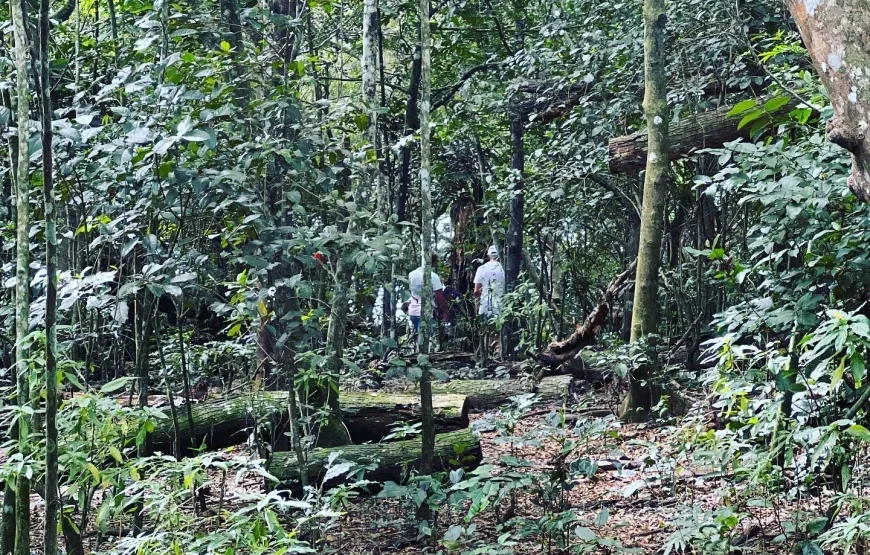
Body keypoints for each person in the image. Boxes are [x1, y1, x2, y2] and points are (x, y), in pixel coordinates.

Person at [407, 253, 449, 339]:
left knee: (418, 338)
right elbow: (440, 297)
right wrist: (446, 311)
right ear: (433, 262)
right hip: (426, 313)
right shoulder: (433, 276)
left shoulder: (411, 274)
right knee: (428, 340)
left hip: (413, 311)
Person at [473, 245, 505, 317]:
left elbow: (476, 291)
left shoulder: (481, 268)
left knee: (486, 326)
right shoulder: (504, 268)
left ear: (488, 255)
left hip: (485, 305)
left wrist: (477, 307)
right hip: (500, 305)